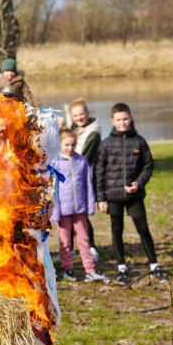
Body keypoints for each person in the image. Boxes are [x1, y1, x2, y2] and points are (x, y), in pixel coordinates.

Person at [94, 103, 164, 284]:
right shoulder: (106, 144)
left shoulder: (139, 141)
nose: (122, 123)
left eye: (125, 119)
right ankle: (121, 267)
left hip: (134, 196)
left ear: (131, 118)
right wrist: (100, 198)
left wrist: (139, 183)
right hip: (113, 195)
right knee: (117, 230)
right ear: (112, 121)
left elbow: (148, 165)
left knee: (143, 229)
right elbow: (99, 171)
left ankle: (154, 265)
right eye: (118, 120)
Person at [51, 129, 104, 282]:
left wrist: (89, 206)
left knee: (84, 240)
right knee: (65, 242)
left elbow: (88, 184)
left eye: (73, 144)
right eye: (67, 144)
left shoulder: (82, 161)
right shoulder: (56, 163)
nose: (70, 148)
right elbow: (54, 189)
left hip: (80, 209)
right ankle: (68, 269)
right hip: (63, 212)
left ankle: (90, 269)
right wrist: (55, 212)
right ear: (60, 144)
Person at [67, 97, 102, 261]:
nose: (79, 118)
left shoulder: (93, 133)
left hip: (84, 177)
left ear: (87, 113)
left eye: (81, 114)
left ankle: (91, 247)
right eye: (75, 116)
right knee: (68, 215)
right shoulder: (73, 130)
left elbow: (83, 158)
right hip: (71, 177)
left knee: (81, 216)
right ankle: (72, 248)